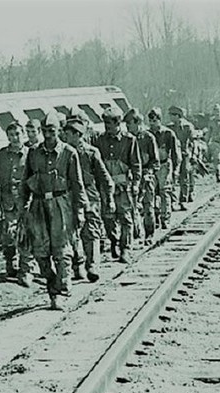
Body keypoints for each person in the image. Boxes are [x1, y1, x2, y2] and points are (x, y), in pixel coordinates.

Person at [20, 112, 88, 310]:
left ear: (59, 131)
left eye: (52, 131)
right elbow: (25, 182)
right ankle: (51, 282)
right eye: (45, 131)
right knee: (40, 251)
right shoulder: (33, 153)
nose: (48, 135)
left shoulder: (69, 153)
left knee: (61, 250)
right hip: (38, 205)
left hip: (61, 204)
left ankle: (60, 291)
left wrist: (80, 210)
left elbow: (77, 184)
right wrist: (23, 208)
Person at [0, 122, 33, 286]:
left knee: (26, 236)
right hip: (7, 202)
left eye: (17, 134)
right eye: (11, 135)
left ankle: (26, 270)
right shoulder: (1, 155)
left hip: (27, 202)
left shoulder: (31, 154)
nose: (14, 138)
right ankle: (11, 263)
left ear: (23, 134)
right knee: (8, 235)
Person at [63, 117, 114, 282]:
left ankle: (93, 265)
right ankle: (77, 265)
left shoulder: (91, 152)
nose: (65, 136)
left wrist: (109, 196)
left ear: (78, 135)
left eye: (68, 134)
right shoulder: (62, 153)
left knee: (91, 231)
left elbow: (104, 176)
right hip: (68, 196)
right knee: (71, 232)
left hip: (89, 194)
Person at [94, 107, 141, 263]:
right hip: (106, 186)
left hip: (123, 185)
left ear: (118, 123)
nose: (107, 127)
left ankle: (125, 249)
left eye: (109, 123)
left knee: (126, 218)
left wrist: (136, 183)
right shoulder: (100, 140)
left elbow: (135, 163)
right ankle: (113, 240)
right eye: (105, 123)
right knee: (108, 217)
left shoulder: (129, 140)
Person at [124, 108, 160, 245]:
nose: (128, 127)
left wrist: (148, 173)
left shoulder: (148, 138)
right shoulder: (126, 139)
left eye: (130, 124)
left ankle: (149, 234)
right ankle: (135, 233)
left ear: (137, 122)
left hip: (146, 175)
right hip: (131, 177)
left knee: (148, 206)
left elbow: (155, 161)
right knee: (131, 207)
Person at [147, 107, 180, 230]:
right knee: (151, 193)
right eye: (150, 120)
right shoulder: (147, 134)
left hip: (164, 165)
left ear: (159, 120)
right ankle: (154, 217)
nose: (152, 123)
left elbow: (176, 153)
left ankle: (165, 218)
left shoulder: (168, 133)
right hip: (151, 166)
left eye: (155, 120)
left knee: (164, 191)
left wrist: (176, 169)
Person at [167, 106, 196, 208]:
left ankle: (183, 200)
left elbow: (193, 142)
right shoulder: (169, 128)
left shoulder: (188, 127)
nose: (170, 117)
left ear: (177, 116)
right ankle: (172, 202)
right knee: (172, 178)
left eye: (172, 115)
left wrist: (193, 155)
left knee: (184, 177)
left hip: (184, 154)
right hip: (173, 155)